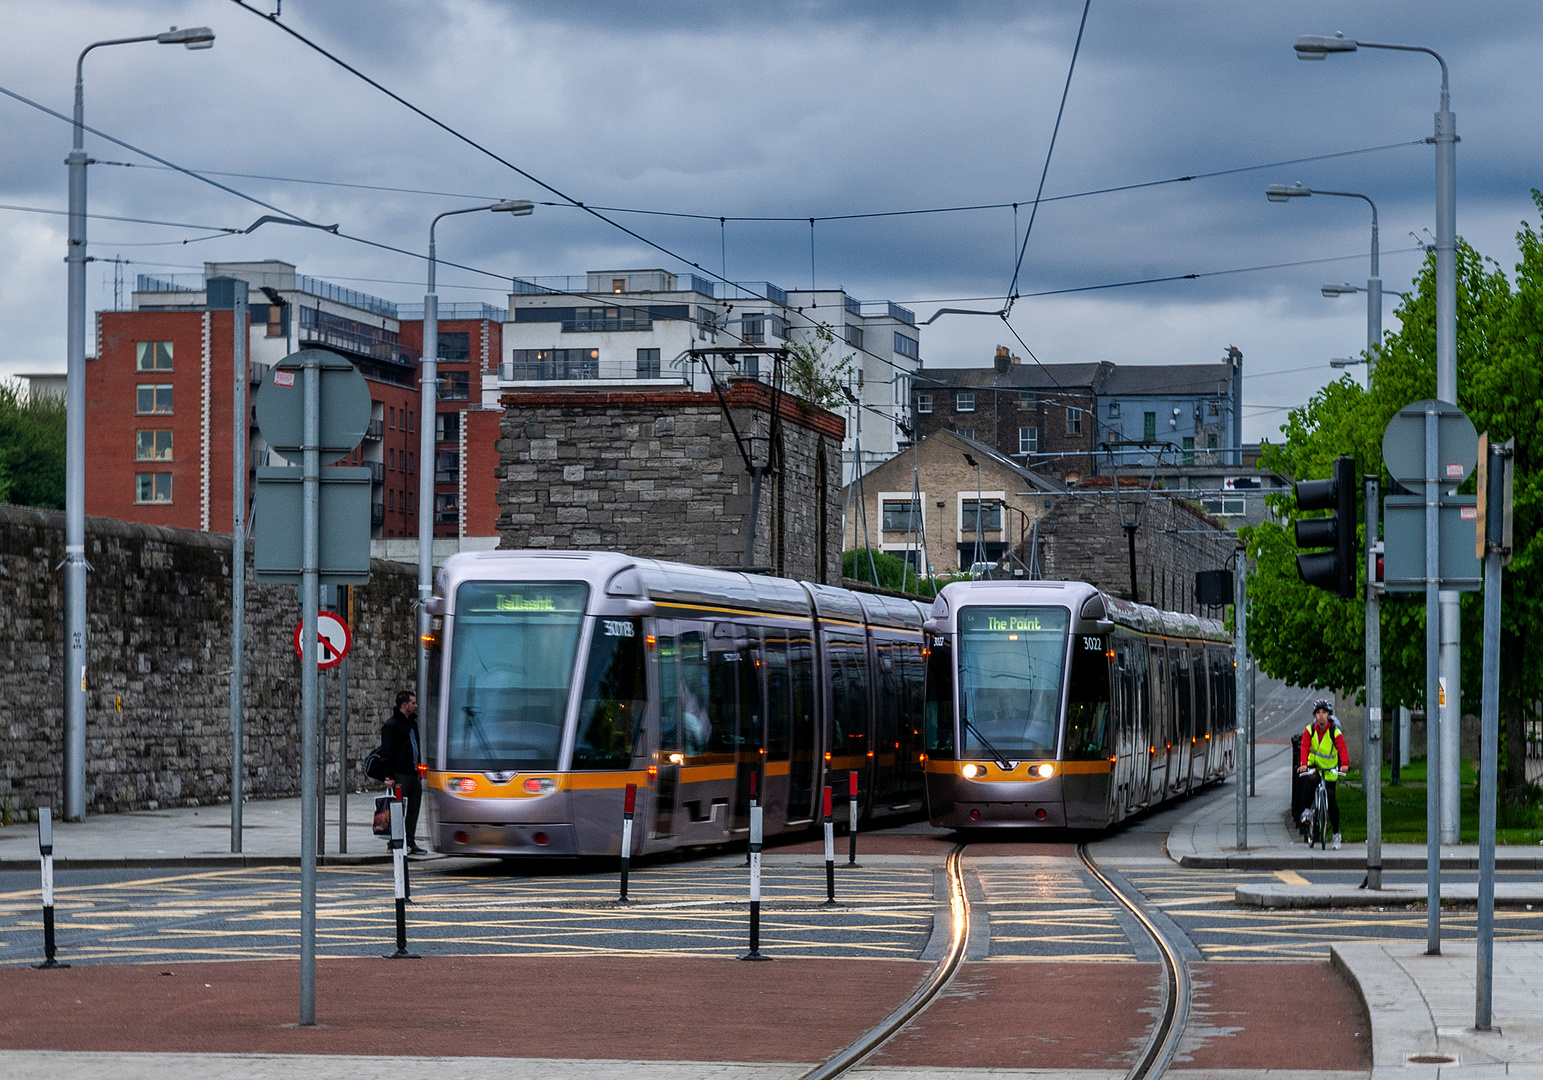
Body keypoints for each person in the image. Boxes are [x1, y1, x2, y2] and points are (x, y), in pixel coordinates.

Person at [1298, 698, 1349, 849]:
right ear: (1315, 715)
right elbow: (1305, 747)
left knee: (1331, 799)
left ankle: (1336, 834)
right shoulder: (1310, 730)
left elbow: (1342, 748)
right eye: (1318, 713)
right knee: (1311, 780)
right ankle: (1307, 811)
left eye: (1324, 712)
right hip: (1314, 765)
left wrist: (1344, 764)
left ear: (1328, 715)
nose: (1321, 716)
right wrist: (1303, 764)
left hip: (1330, 769)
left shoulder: (1334, 731)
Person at [380, 690, 426, 855]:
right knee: (398, 810)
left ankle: (410, 840)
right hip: (400, 774)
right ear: (404, 705)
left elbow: (415, 747)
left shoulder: (412, 723)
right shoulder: (392, 725)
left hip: (413, 774)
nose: (416, 705)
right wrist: (388, 776)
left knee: (413, 809)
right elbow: (387, 752)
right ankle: (395, 841)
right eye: (413, 703)